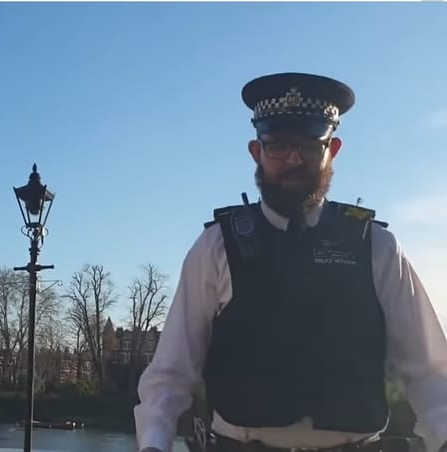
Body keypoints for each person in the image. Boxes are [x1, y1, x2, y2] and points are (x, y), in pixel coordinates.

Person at [133, 73, 447, 452]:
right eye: (279, 145)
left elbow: (431, 374)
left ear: (333, 149)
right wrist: (153, 444)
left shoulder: (377, 247)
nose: (294, 160)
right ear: (256, 151)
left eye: (310, 145)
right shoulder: (216, 247)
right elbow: (171, 374)